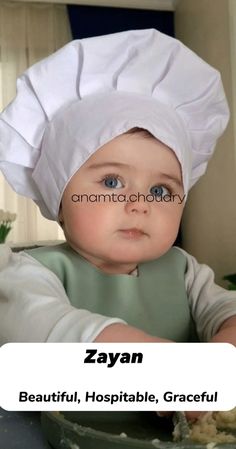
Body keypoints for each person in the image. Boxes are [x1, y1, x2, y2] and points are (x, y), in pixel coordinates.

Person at [0, 29, 235, 354]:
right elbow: (48, 329)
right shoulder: (28, 273)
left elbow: (228, 313)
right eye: (112, 182)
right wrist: (171, 373)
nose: (140, 204)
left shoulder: (184, 270)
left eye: (161, 190)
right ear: (60, 200)